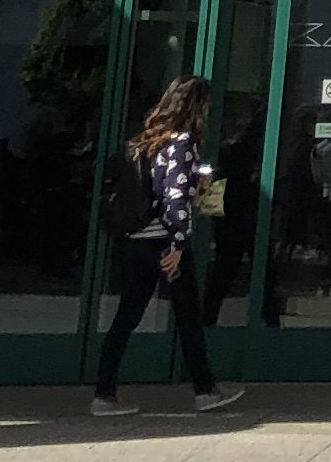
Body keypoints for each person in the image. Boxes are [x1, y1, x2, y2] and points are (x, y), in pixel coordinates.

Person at [91, 74, 247, 416]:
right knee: (188, 317)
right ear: (197, 105)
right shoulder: (182, 142)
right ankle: (205, 390)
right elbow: (174, 198)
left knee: (127, 315)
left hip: (137, 241)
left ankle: (103, 393)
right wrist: (178, 244)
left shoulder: (147, 141)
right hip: (164, 243)